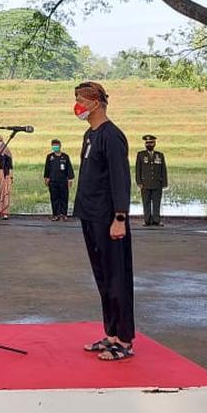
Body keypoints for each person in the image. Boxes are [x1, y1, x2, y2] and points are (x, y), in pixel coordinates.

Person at [73, 81, 135, 362]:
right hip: (90, 215)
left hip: (109, 219)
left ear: (96, 102)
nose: (78, 106)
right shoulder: (90, 135)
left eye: (81, 100)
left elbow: (120, 179)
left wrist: (119, 217)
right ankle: (110, 334)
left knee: (117, 278)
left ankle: (124, 340)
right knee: (102, 278)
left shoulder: (112, 135)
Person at [136, 134, 168, 226]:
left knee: (157, 202)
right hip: (145, 183)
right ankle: (147, 220)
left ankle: (156, 220)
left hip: (157, 183)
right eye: (147, 143)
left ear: (154, 143)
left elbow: (163, 169)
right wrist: (139, 182)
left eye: (151, 143)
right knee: (146, 202)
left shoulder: (160, 155)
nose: (149, 145)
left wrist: (164, 182)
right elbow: (138, 169)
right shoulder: (141, 155)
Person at [44, 139, 75, 221]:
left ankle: (64, 214)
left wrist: (70, 179)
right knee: (54, 198)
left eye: (57, 146)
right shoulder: (49, 157)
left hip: (63, 181)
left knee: (64, 198)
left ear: (60, 146)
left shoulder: (65, 157)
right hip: (53, 181)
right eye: (53, 146)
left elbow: (69, 168)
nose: (55, 148)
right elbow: (47, 168)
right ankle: (56, 214)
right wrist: (46, 178)